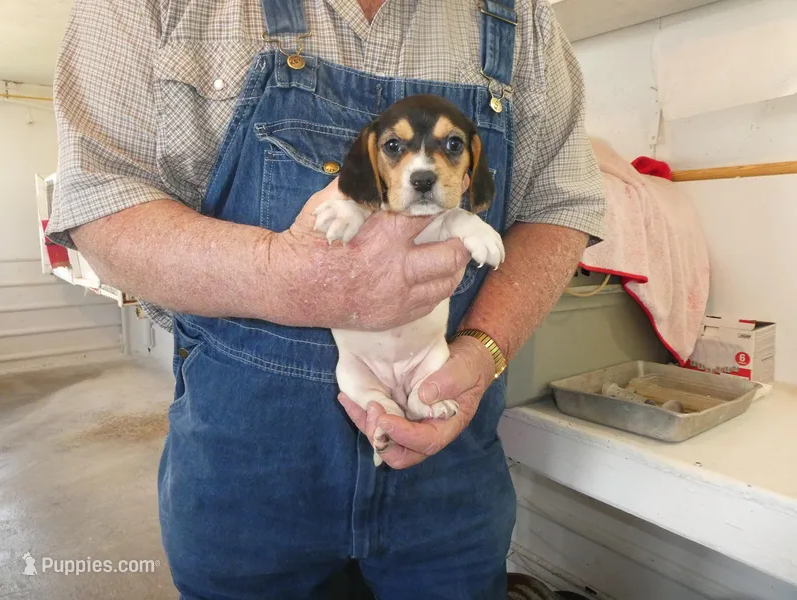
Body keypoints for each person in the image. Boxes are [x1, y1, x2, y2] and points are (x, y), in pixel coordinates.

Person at [47, 0, 605, 598]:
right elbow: (97, 204)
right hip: (245, 476)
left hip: (446, 465)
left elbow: (559, 205)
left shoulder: (525, 14)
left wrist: (480, 354)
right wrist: (284, 274)